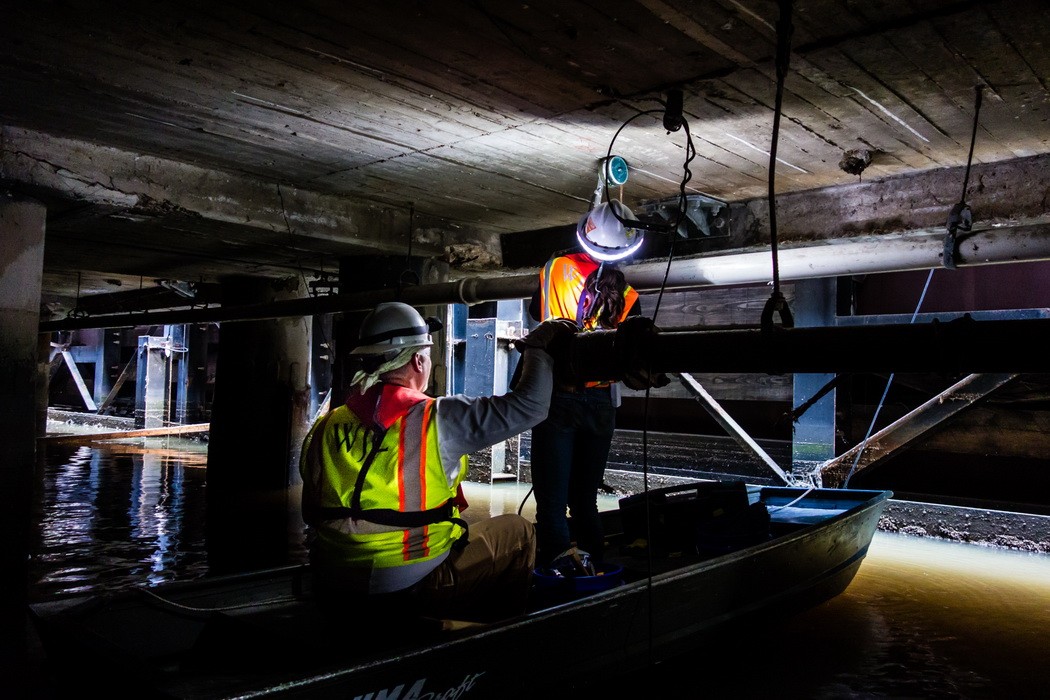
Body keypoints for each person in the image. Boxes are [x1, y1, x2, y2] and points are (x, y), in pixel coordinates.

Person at [299, 301, 575, 623]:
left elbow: (310, 512)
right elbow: (530, 407)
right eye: (428, 355)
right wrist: (538, 347)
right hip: (409, 585)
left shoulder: (326, 424)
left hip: (331, 582)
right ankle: (495, 636)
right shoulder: (437, 418)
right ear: (418, 360)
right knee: (519, 532)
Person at [528, 200, 658, 568]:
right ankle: (596, 571)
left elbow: (537, 312)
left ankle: (560, 576)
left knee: (552, 503)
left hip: (559, 398)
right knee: (584, 501)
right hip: (602, 405)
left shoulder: (558, 268)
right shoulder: (629, 296)